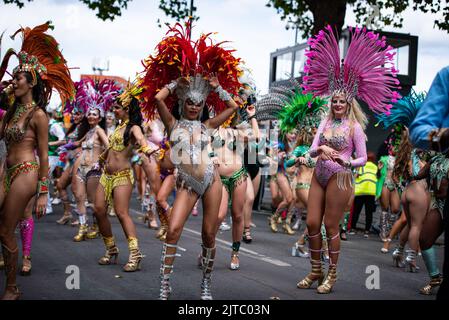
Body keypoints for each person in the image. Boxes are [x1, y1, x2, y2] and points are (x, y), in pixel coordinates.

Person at [141, 22, 241, 300]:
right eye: (190, 102)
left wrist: (217, 88)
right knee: (172, 229)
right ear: (183, 103)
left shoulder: (208, 125)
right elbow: (158, 97)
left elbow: (233, 106)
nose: (195, 105)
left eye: (199, 102)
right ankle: (164, 284)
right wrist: (176, 84)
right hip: (186, 183)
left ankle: (206, 284)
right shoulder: (173, 125)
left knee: (209, 236)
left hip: (211, 180)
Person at [296, 25, 399, 294]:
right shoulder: (324, 122)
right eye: (334, 101)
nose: (337, 104)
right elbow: (311, 149)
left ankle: (331, 274)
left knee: (331, 225)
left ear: (349, 102)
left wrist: (345, 162)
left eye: (341, 101)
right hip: (319, 173)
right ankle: (315, 269)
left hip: (340, 178)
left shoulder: (355, 128)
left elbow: (363, 159)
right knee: (311, 223)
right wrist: (319, 151)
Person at [0, 22, 74, 299]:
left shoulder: (38, 115)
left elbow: (44, 155)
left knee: (6, 228)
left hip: (27, 172)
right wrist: (3, 95)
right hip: (6, 170)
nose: (14, 80)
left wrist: (43, 192)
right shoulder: (11, 112)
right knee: (2, 228)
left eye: (19, 78)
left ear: (31, 83)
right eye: (14, 77)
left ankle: (12, 287)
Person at [94, 79, 155, 272]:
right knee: (98, 210)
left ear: (127, 108)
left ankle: (135, 254)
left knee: (121, 213)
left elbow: (141, 139)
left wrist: (146, 148)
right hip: (106, 175)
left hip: (122, 176)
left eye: (118, 108)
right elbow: (112, 149)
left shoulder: (133, 127)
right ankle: (111, 249)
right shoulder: (118, 128)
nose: (114, 111)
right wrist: (102, 158)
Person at [410, 66, 449, 299]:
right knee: (424, 237)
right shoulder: (447, 77)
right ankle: (435, 275)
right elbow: (417, 133)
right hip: (441, 198)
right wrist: (442, 136)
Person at [351, 151, 378, 237]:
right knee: (369, 213)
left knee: (356, 211)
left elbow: (356, 175)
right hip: (371, 192)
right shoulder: (376, 167)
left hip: (360, 192)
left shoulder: (361, 166)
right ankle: (367, 231)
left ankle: (353, 229)